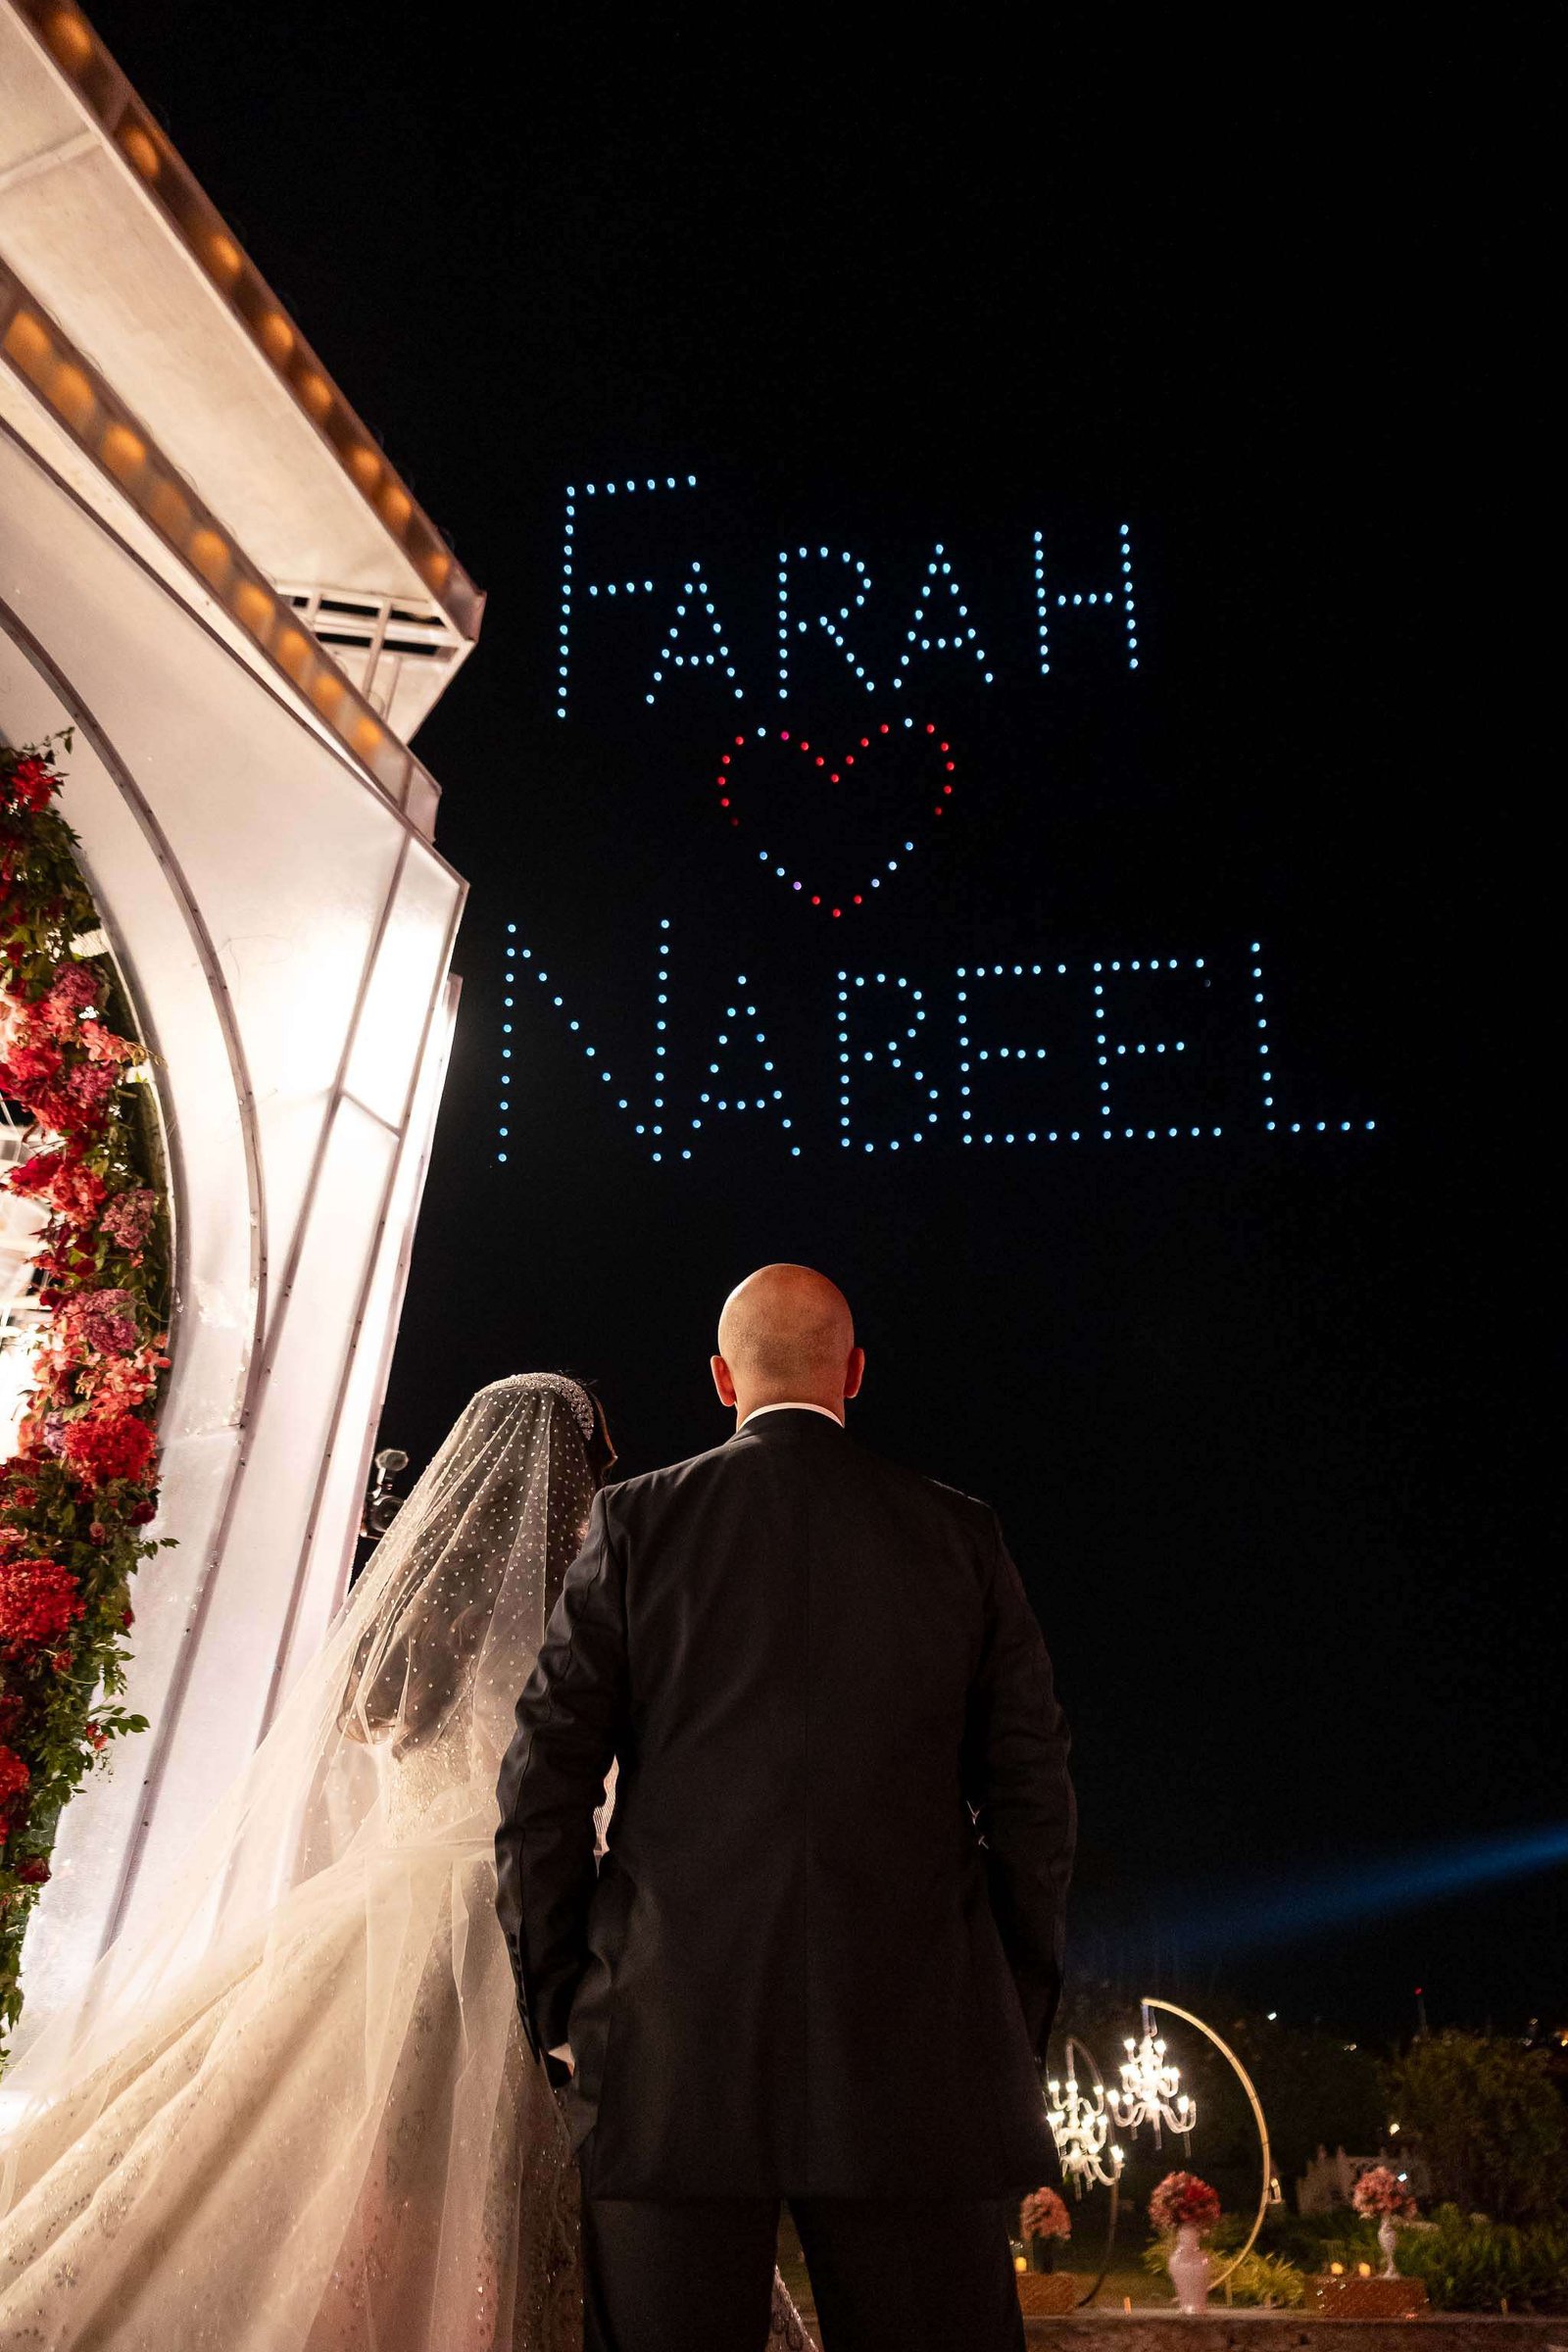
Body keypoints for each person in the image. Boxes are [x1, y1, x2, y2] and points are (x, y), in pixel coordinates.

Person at [0, 1372, 815, 2351]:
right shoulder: (569, 1617)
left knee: (340, 2175)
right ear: (566, 1480)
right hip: (515, 1918)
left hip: (376, 1909)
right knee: (500, 2197)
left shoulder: (407, 1614)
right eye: (594, 1469)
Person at [496, 1268, 1076, 2352]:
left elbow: (541, 1785)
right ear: (854, 1372)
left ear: (722, 1380)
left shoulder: (637, 1522)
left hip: (669, 2046)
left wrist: (566, 2004)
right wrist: (1003, 2007)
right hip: (918, 2051)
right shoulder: (960, 1534)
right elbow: (1034, 1800)